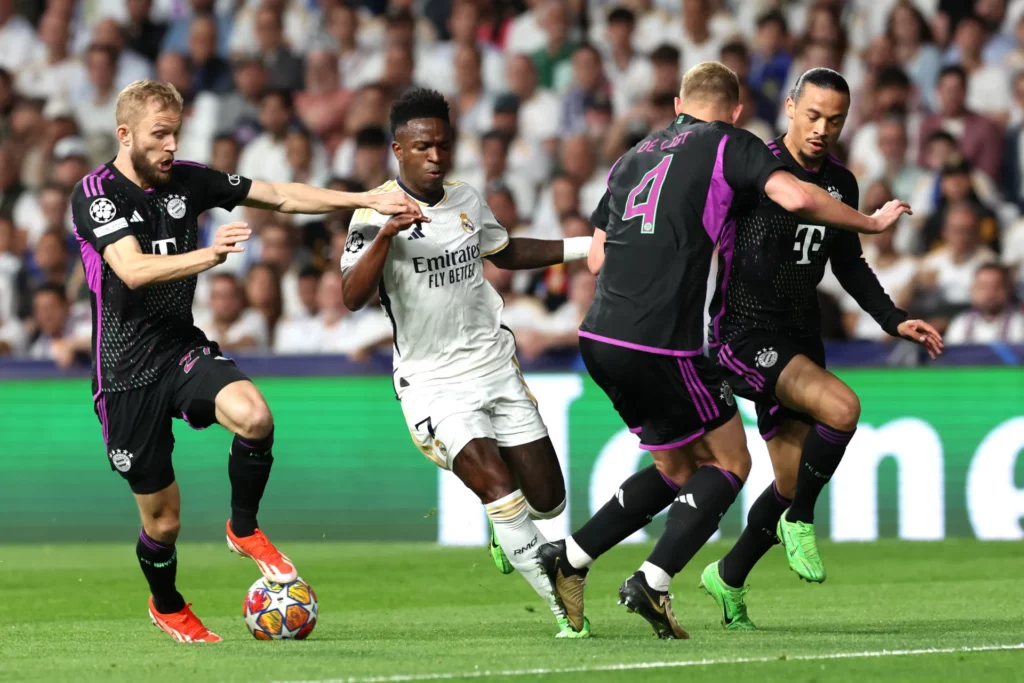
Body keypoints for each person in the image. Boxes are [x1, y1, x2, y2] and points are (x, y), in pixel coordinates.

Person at [536, 61, 913, 640]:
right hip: (664, 339)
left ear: (678, 105)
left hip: (600, 336)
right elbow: (796, 197)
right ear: (737, 112)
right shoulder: (731, 146)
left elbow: (596, 257)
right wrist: (871, 223)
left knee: (675, 467)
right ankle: (652, 581)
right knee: (730, 462)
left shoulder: (632, 156)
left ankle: (572, 557)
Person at [70, 79, 422, 644]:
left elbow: (279, 195)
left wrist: (365, 199)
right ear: (125, 134)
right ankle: (168, 605)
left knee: (255, 417)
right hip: (124, 374)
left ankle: (243, 527)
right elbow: (131, 271)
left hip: (179, 349)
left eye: (176, 133)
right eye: (159, 135)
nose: (170, 145)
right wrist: (209, 255)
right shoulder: (96, 194)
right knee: (164, 522)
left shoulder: (188, 179)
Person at [340, 88, 594, 638]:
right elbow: (352, 295)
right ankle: (563, 606)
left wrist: (585, 248)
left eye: (443, 145)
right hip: (433, 382)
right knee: (498, 488)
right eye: (423, 147)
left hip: (493, 365)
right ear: (398, 150)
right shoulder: (372, 211)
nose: (436, 156)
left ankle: (509, 534)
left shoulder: (465, 199)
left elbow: (506, 251)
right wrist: (386, 235)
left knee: (549, 501)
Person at [695, 68, 944, 630]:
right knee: (843, 408)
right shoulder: (754, 166)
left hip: (800, 337)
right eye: (812, 115)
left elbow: (848, 264)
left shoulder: (841, 183)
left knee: (788, 481)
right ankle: (801, 520)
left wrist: (893, 319)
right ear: (790, 107)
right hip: (745, 332)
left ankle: (728, 576)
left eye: (835, 120)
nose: (822, 129)